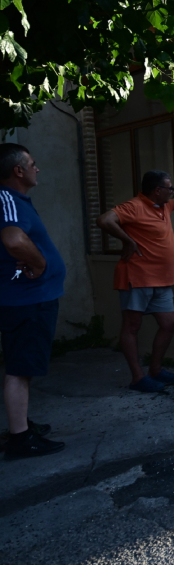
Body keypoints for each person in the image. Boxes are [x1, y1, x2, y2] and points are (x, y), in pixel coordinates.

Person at [97, 158, 174, 392]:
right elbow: (104, 220)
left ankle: (156, 370)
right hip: (138, 276)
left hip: (162, 278)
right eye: (168, 188)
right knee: (132, 326)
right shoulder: (134, 206)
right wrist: (127, 240)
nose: (171, 192)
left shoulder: (165, 206)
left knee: (170, 323)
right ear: (156, 190)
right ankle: (137, 378)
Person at [0, 143, 66, 459]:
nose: (36, 168)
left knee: (23, 367)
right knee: (19, 368)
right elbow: (13, 239)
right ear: (18, 170)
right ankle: (20, 439)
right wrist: (39, 264)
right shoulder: (7, 200)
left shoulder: (16, 201)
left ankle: (21, 425)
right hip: (27, 300)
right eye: (32, 164)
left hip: (31, 299)